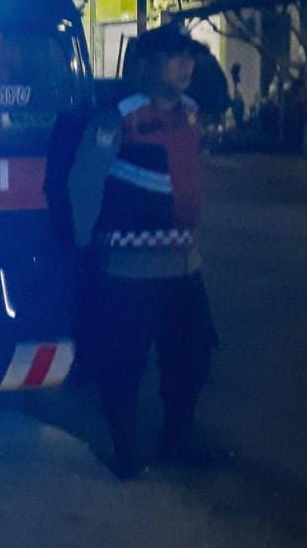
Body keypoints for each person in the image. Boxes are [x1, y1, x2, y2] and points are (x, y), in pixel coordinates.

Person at [69, 23, 219, 479]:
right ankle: (123, 448)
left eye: (189, 57)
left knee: (192, 355)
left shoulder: (190, 114)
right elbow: (85, 184)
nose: (185, 67)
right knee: (125, 360)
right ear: (146, 66)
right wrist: (84, 250)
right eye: (174, 58)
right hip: (130, 268)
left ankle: (177, 438)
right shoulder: (117, 118)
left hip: (183, 264)